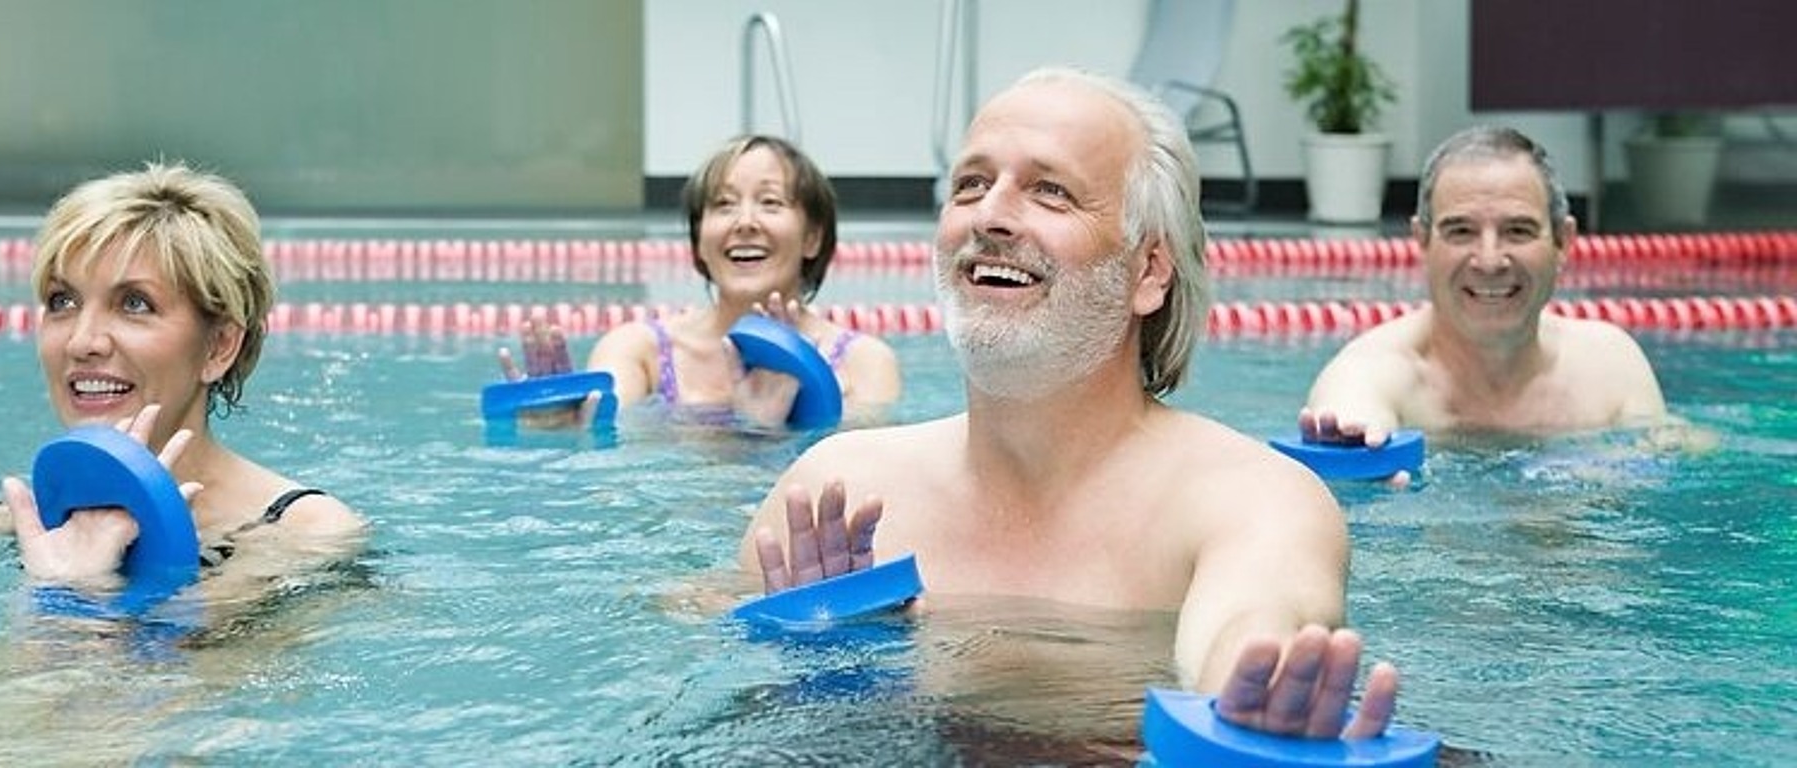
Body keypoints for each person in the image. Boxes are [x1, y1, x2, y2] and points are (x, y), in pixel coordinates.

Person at [737, 67, 1399, 743]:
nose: (990, 216)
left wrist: (1244, 696)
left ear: (1148, 273)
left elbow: (1252, 622)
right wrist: (823, 665)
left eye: (1050, 192)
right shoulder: (836, 493)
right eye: (970, 184)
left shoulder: (1252, 502)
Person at [0, 161, 367, 597]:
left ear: (219, 347)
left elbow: (163, 689)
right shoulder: (11, 516)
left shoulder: (299, 534)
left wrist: (71, 591)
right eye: (62, 302)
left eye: (135, 304)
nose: (82, 341)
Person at [1299, 126, 1667, 455]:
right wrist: (1354, 457)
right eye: (1461, 231)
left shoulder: (1611, 365)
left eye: (1518, 231)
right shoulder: (1372, 375)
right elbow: (1351, 414)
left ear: (1563, 242)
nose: (1490, 261)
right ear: (1422, 242)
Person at [499, 134, 901, 429]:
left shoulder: (863, 363)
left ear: (813, 236)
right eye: (723, 205)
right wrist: (561, 428)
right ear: (699, 241)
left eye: (771, 202)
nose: (745, 222)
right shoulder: (638, 350)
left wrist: (766, 432)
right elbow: (610, 471)